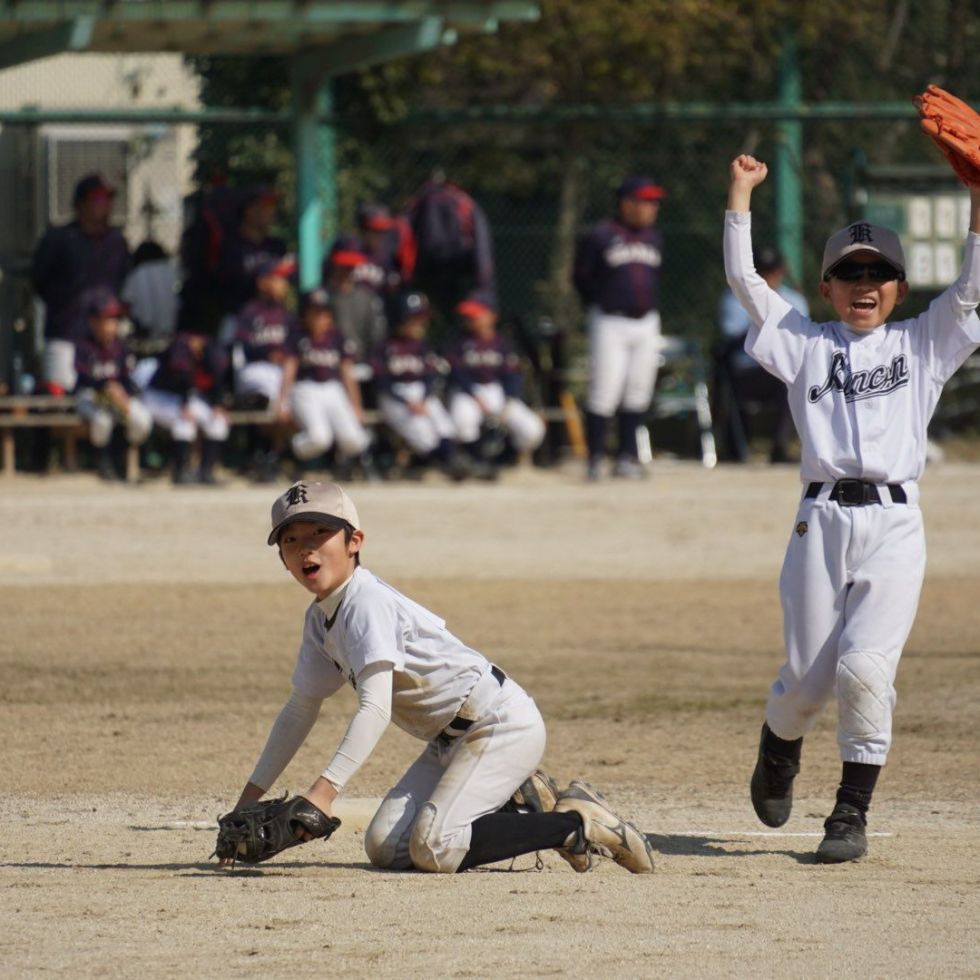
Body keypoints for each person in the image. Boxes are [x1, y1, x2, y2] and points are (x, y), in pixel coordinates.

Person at [725, 153, 980, 863]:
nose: (864, 285)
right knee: (806, 683)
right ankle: (779, 747)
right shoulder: (805, 344)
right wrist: (740, 195)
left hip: (895, 525)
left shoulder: (922, 343)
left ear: (899, 287)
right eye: (850, 273)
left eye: (878, 273)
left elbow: (970, 289)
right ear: (826, 287)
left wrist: (978, 198)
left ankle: (849, 813)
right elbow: (746, 283)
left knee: (865, 669)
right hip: (820, 522)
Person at [218, 480, 656, 875]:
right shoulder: (320, 620)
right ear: (282, 560)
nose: (305, 548)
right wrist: (247, 802)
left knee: (434, 847)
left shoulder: (365, 603)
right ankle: (521, 803)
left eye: (319, 532)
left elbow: (375, 709)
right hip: (448, 743)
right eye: (291, 540)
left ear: (355, 541)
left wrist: (323, 793)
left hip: (499, 724)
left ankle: (577, 825)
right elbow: (300, 711)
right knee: (385, 848)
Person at [573, 175, 665, 481]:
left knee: (638, 390)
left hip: (646, 321)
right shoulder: (600, 235)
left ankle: (626, 457)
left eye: (653, 202)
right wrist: (601, 301)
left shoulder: (654, 237)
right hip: (609, 320)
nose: (651, 207)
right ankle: (595, 458)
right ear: (625, 203)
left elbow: (657, 277)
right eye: (644, 201)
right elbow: (581, 277)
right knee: (604, 389)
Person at [31, 173, 130, 393]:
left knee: (107, 397)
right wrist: (65, 304)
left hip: (104, 341)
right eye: (97, 198)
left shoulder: (116, 242)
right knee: (63, 394)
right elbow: (40, 280)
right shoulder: (59, 238)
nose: (105, 204)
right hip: (66, 334)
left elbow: (121, 280)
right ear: (81, 204)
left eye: (108, 199)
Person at [716, 246, 809, 462]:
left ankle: (780, 446)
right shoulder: (734, 298)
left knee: (794, 376)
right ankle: (735, 447)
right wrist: (770, 324)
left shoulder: (795, 300)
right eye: (762, 272)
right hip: (747, 370)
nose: (768, 277)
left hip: (782, 369)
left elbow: (802, 341)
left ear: (781, 271)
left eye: (772, 271)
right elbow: (731, 335)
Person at [371, 290, 466, 481]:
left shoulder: (423, 346)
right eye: (415, 319)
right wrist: (406, 401)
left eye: (422, 319)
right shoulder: (384, 347)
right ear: (400, 320)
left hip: (420, 393)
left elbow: (429, 376)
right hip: (394, 396)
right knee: (422, 432)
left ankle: (451, 461)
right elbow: (382, 381)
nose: (421, 324)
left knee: (444, 424)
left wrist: (423, 398)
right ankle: (441, 463)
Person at [446, 294, 545, 474]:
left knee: (533, 429)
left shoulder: (503, 344)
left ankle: (508, 456)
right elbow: (457, 373)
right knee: (462, 421)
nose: (470, 320)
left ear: (491, 316)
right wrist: (475, 396)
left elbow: (513, 375)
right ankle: (477, 460)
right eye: (468, 316)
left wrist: (509, 399)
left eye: (475, 315)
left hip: (496, 391)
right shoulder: (459, 342)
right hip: (468, 391)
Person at [287, 287, 373, 472]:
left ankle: (343, 461)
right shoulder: (298, 336)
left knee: (354, 440)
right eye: (315, 312)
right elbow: (290, 369)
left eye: (323, 313)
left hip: (333, 389)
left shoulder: (337, 337)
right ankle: (287, 454)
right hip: (305, 389)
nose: (319, 318)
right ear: (305, 314)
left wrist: (356, 405)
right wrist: (283, 400)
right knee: (319, 438)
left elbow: (347, 373)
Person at [72, 288, 153, 481]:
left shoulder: (121, 347)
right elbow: (83, 379)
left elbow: (129, 379)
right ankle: (104, 464)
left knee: (141, 420)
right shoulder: (84, 346)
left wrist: (122, 392)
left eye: (114, 319)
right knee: (103, 420)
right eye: (107, 319)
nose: (112, 324)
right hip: (91, 396)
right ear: (93, 322)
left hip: (117, 397)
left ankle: (122, 456)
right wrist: (106, 386)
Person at [142, 327, 230, 485]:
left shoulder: (210, 351)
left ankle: (205, 472)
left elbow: (214, 381)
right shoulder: (180, 346)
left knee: (218, 422)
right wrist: (184, 406)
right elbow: (181, 376)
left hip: (185, 398)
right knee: (184, 421)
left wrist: (217, 405)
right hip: (158, 395)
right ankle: (180, 472)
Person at [322, 236, 388, 364]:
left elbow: (377, 338)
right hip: (328, 364)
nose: (347, 270)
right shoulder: (321, 297)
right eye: (343, 266)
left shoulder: (367, 298)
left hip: (361, 364)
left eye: (351, 266)